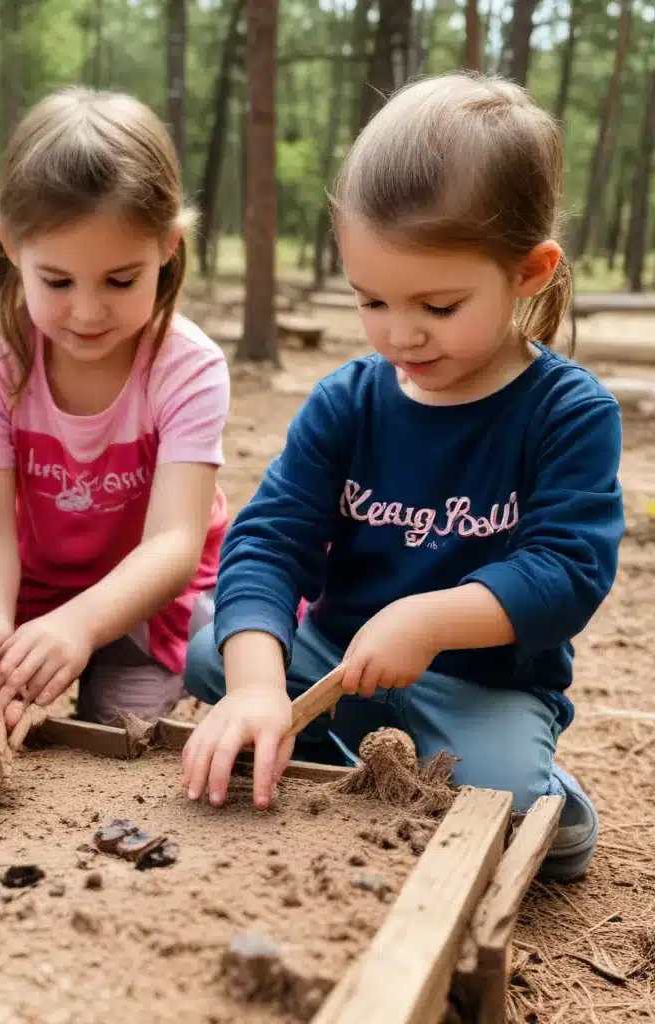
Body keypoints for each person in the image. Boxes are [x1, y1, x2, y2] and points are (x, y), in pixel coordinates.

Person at [181, 73, 624, 884]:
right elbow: (269, 542)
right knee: (215, 656)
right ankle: (343, 751)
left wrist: (428, 620)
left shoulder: (567, 411)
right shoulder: (350, 400)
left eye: (440, 306)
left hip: (478, 680)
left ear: (528, 271)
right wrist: (253, 687)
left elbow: (568, 572)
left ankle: (542, 795)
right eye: (371, 299)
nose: (400, 332)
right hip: (339, 659)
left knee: (526, 819)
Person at [0, 88, 229, 728]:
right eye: (58, 281)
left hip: (145, 603)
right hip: (26, 590)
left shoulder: (188, 366)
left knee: (112, 729)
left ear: (169, 247)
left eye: (121, 280)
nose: (89, 311)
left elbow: (175, 544)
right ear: (11, 247)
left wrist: (81, 624)